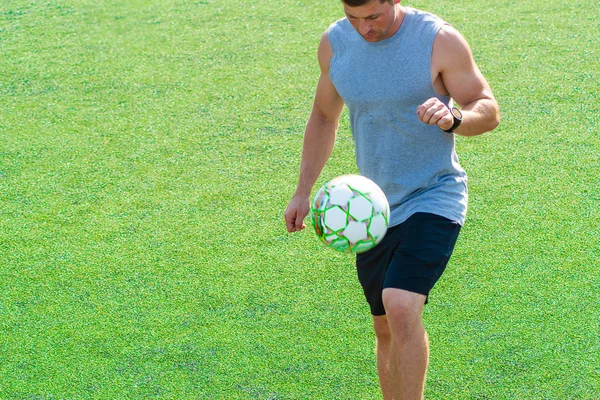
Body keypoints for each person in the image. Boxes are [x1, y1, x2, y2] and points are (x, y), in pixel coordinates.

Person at [284, 0, 499, 398]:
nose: (364, 29)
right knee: (384, 325)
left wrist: (455, 119)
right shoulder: (335, 43)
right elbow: (323, 116)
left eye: (373, 17)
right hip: (374, 208)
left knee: (400, 305)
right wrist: (302, 191)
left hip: (434, 193)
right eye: (354, 18)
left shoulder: (438, 39)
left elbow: (486, 107)